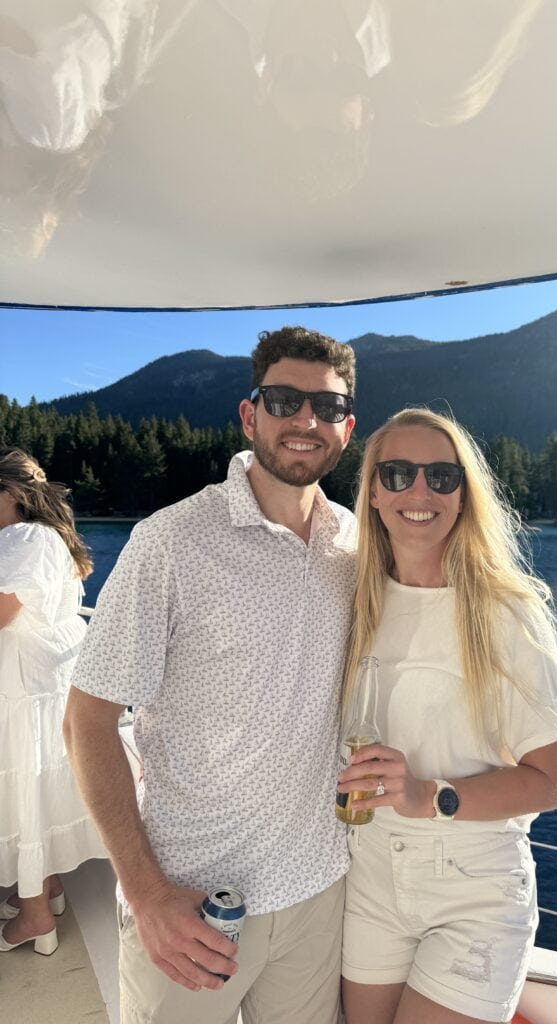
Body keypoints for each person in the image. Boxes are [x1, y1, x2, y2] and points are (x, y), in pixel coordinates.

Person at [63, 326, 357, 1024]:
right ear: (250, 413)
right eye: (285, 400)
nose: (306, 421)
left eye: (327, 406)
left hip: (318, 889)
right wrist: (145, 892)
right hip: (191, 901)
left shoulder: (354, 543)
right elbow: (87, 722)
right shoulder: (172, 541)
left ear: (348, 426)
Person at [337, 408, 557, 1024]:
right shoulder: (353, 597)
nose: (420, 492)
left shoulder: (505, 613)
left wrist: (428, 795)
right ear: (371, 491)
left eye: (442, 476)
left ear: (465, 495)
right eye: (397, 473)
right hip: (369, 874)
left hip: (473, 884)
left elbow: (550, 781)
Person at [0, 448, 104, 955]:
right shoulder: (50, 537)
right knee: (39, 787)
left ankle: (36, 914)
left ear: (14, 495)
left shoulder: (21, 538)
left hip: (24, 686)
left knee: (25, 797)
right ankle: (49, 890)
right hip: (49, 680)